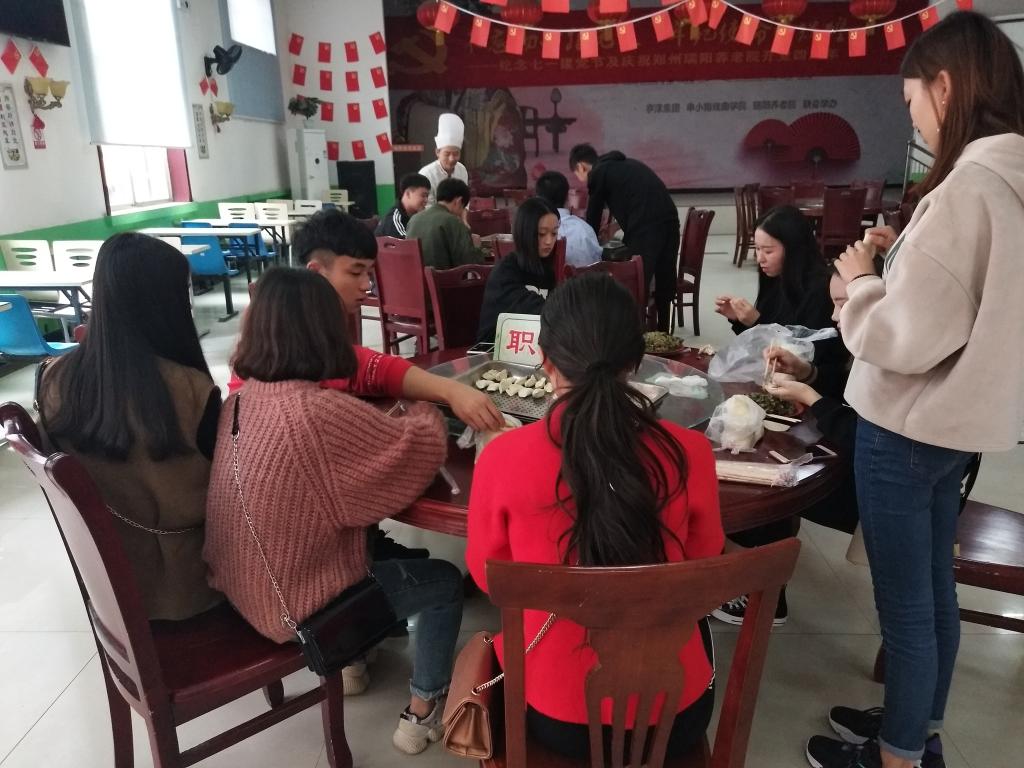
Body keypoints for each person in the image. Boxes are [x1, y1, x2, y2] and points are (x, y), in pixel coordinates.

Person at [805, 12, 1024, 768]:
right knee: (932, 589)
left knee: (905, 603)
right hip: (956, 426)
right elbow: (968, 303)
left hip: (906, 425)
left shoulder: (970, 187)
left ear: (946, 86)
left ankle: (897, 755)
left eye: (912, 103)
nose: (916, 121)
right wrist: (903, 261)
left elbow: (903, 339)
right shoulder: (1013, 178)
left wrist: (862, 283)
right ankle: (916, 724)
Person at [204, 268, 464, 756]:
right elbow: (419, 450)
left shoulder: (239, 401)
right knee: (446, 583)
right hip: (299, 610)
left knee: (363, 543)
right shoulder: (314, 412)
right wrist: (427, 405)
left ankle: (355, 662)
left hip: (243, 588)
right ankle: (423, 710)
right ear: (325, 330)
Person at [467, 272, 724, 760]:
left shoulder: (502, 458)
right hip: (676, 710)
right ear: (635, 362)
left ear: (544, 360)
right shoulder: (690, 452)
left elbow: (489, 578)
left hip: (556, 712)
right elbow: (704, 561)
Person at [36, 233, 223, 621]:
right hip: (192, 588)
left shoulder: (53, 378)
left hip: (107, 586)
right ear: (166, 303)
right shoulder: (192, 389)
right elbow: (230, 490)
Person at [257, 208, 503, 434]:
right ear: (316, 272)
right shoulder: (278, 342)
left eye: (369, 273)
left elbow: (370, 367)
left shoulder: (321, 321)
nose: (366, 285)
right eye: (355, 272)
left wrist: (452, 390)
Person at [568, 143, 679, 331]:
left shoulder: (598, 173)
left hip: (646, 229)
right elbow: (637, 199)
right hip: (670, 221)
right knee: (664, 279)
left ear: (581, 167)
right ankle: (663, 333)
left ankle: (635, 332)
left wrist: (588, 241)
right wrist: (616, 226)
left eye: (577, 175)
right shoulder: (625, 165)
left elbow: (593, 216)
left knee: (637, 282)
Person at [715, 205, 833, 337]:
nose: (760, 259)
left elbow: (806, 346)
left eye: (768, 251)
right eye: (757, 249)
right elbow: (759, 342)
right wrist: (739, 319)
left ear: (793, 249)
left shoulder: (820, 289)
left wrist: (756, 322)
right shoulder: (776, 277)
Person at [476, 196, 559, 344]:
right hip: (495, 349)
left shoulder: (546, 272)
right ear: (525, 233)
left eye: (554, 233)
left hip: (528, 346)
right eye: (541, 234)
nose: (549, 241)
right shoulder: (505, 272)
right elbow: (532, 308)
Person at [405, 178, 488, 270]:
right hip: (442, 278)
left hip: (414, 277)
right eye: (463, 208)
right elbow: (472, 265)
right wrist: (476, 247)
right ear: (458, 201)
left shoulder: (413, 219)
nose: (461, 213)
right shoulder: (453, 222)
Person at [534, 170, 601, 267]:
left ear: (537, 199)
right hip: (587, 276)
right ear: (567, 197)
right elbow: (597, 264)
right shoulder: (584, 229)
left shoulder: (532, 229)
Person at [419, 113, 469, 206]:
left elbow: (465, 200)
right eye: (447, 154)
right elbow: (427, 207)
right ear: (437, 152)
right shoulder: (426, 174)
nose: (451, 159)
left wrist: (464, 213)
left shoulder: (462, 170)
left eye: (456, 154)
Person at [376, 172, 431, 239]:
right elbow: (406, 243)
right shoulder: (395, 218)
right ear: (408, 194)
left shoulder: (418, 216)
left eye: (427, 196)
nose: (426, 200)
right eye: (423, 195)